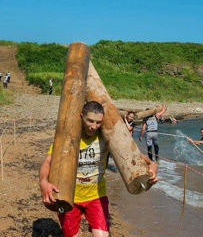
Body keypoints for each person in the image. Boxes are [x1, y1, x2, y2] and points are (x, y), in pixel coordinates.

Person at [39, 101, 158, 237]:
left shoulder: (107, 139)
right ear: (81, 116)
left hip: (97, 196)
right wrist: (43, 182)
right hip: (69, 196)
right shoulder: (67, 138)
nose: (93, 126)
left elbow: (145, 160)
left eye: (98, 122)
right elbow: (48, 161)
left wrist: (153, 168)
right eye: (90, 121)